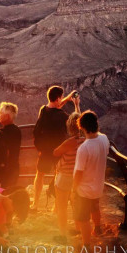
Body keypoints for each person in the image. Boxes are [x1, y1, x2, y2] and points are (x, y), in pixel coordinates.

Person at [31, 86, 76, 210]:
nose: (61, 99)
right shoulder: (62, 116)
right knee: (58, 175)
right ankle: (56, 207)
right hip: (58, 150)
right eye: (61, 97)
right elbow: (76, 122)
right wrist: (76, 104)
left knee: (40, 174)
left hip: (44, 150)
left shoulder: (43, 110)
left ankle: (35, 203)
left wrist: (67, 99)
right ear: (57, 98)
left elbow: (54, 106)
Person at [73, 111, 110, 247]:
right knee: (95, 207)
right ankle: (98, 228)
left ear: (81, 127)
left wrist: (74, 188)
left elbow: (78, 172)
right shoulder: (104, 139)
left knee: (83, 218)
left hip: (84, 189)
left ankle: (87, 245)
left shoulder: (84, 148)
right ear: (96, 124)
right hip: (98, 184)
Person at [52, 99, 83, 244]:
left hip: (65, 176)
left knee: (62, 206)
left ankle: (62, 235)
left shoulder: (70, 142)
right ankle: (78, 228)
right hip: (79, 177)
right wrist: (77, 105)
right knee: (77, 204)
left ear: (70, 126)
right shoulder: (86, 141)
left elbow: (55, 153)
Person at [0, 102, 22, 188]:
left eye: (0, 113)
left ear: (7, 116)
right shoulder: (17, 130)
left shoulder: (2, 133)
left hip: (5, 171)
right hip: (14, 169)